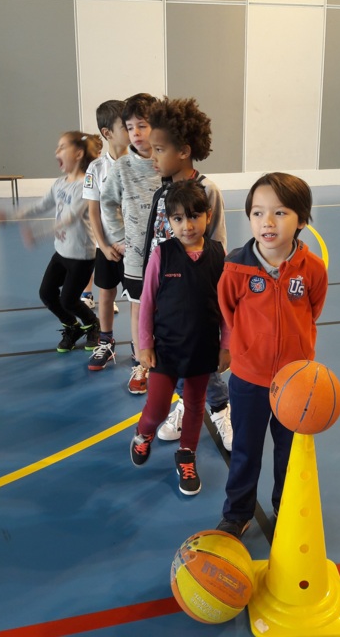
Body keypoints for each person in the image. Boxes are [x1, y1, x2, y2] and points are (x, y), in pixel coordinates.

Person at [216, 172, 328, 538]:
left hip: (296, 382)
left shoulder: (312, 269)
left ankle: (286, 508)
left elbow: (313, 309)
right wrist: (248, 349)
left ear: (301, 219)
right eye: (258, 213)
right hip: (249, 379)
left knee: (289, 453)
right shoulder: (235, 267)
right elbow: (229, 311)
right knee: (245, 451)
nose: (267, 222)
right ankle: (237, 513)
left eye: (280, 213)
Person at [142, 96, 233, 450]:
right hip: (169, 295)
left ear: (183, 151)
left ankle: (220, 408)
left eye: (159, 149)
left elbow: (217, 248)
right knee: (175, 362)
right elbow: (154, 239)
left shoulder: (207, 190)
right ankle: (185, 404)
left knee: (204, 366)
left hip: (199, 295)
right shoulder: (162, 191)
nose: (152, 157)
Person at [130, 180, 230, 495]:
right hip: (166, 351)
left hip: (202, 349)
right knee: (158, 408)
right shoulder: (162, 255)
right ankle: (143, 433)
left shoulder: (218, 255)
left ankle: (187, 454)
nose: (187, 226)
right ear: (169, 221)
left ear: (208, 215)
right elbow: (147, 302)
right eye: (178, 218)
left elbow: (227, 308)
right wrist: (145, 345)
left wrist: (226, 346)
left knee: (195, 405)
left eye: (194, 216)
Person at [0, 132, 102, 352]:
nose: (56, 151)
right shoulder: (59, 183)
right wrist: (10, 216)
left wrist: (38, 234)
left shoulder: (86, 185)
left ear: (78, 154)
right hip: (61, 251)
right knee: (47, 294)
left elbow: (70, 218)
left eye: (62, 147)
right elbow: (40, 206)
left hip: (81, 255)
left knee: (69, 300)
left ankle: (92, 324)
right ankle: (72, 327)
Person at [100, 93, 161, 386]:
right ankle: (140, 362)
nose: (135, 133)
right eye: (130, 127)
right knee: (138, 307)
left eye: (142, 125)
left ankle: (166, 359)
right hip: (135, 257)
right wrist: (118, 238)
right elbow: (107, 202)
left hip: (168, 256)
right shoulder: (122, 167)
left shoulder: (167, 163)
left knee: (168, 307)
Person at [83, 100, 130, 370]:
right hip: (108, 249)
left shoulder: (142, 164)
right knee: (105, 294)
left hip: (135, 249)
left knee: (140, 299)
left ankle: (141, 345)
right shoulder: (96, 169)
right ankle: (106, 341)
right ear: (107, 133)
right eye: (125, 126)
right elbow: (93, 212)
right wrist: (103, 245)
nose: (132, 130)